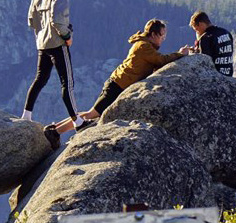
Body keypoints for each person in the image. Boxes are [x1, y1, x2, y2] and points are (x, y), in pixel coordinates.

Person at [43, 19, 189, 147]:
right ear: (153, 34)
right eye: (162, 35)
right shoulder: (144, 47)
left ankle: (55, 129)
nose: (164, 38)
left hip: (117, 83)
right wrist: (180, 54)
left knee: (92, 112)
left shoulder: (144, 44)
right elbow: (161, 60)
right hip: (117, 85)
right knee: (93, 114)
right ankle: (55, 132)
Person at [21, 0, 92, 132]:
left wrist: (41, 34)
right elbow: (57, 21)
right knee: (67, 82)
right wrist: (67, 36)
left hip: (42, 44)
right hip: (58, 43)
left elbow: (31, 21)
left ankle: (26, 116)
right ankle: (78, 122)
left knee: (40, 79)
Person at [189, 11, 234, 76]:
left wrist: (193, 53)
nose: (197, 32)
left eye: (196, 29)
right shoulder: (226, 33)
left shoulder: (206, 38)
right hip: (228, 73)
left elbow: (204, 62)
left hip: (215, 75)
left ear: (200, 24)